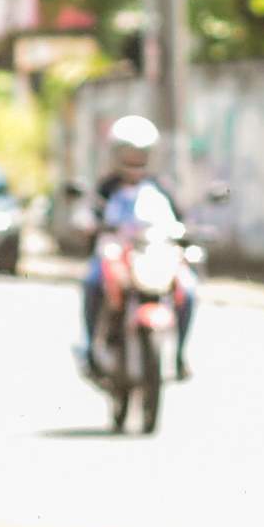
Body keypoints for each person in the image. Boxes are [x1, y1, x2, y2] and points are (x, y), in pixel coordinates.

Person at [84, 112, 191, 377]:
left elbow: (180, 220)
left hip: (152, 256)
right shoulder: (106, 188)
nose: (134, 160)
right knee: (91, 282)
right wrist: (91, 226)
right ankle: (92, 350)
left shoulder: (159, 188)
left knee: (188, 289)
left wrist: (187, 233)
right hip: (116, 258)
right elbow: (89, 216)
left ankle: (179, 355)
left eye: (139, 153)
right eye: (128, 153)